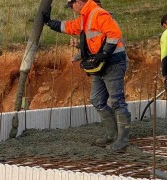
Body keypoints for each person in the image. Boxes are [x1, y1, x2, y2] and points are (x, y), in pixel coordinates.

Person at [42, 0, 131, 152]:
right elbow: (70, 26)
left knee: (117, 101)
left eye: (72, 5)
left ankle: (123, 140)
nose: (71, 8)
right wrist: (50, 23)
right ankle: (112, 134)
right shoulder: (86, 17)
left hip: (113, 62)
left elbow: (114, 34)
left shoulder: (98, 13)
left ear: (79, 2)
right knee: (97, 100)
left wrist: (103, 53)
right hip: (101, 64)